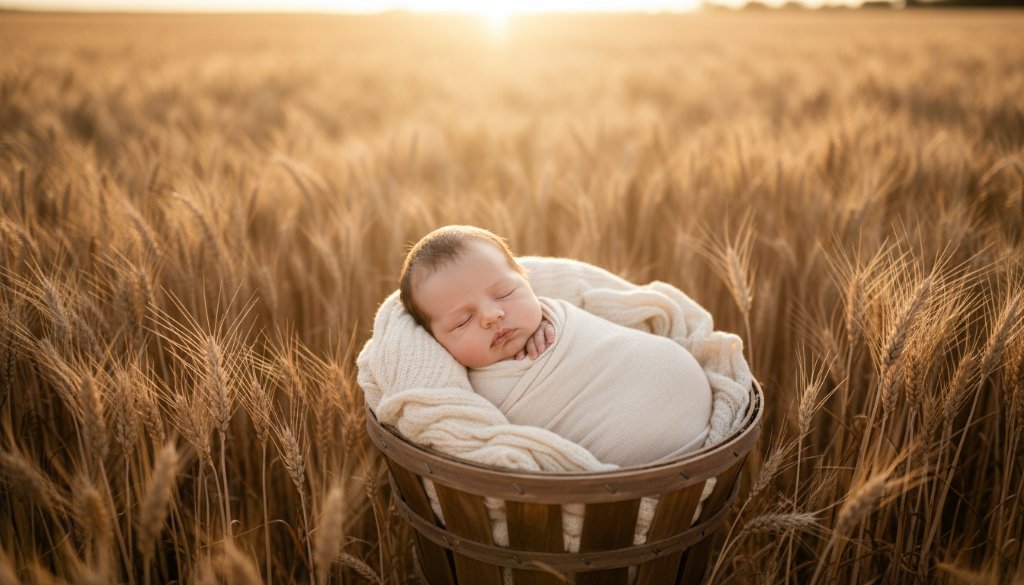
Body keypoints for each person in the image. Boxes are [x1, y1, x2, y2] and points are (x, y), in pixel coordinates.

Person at [399, 225, 713, 467]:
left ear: (528, 283)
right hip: (635, 451)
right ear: (435, 341)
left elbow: (594, 340)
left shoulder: (554, 314)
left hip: (672, 377)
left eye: (506, 292)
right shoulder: (463, 396)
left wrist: (548, 325)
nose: (492, 316)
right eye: (463, 321)